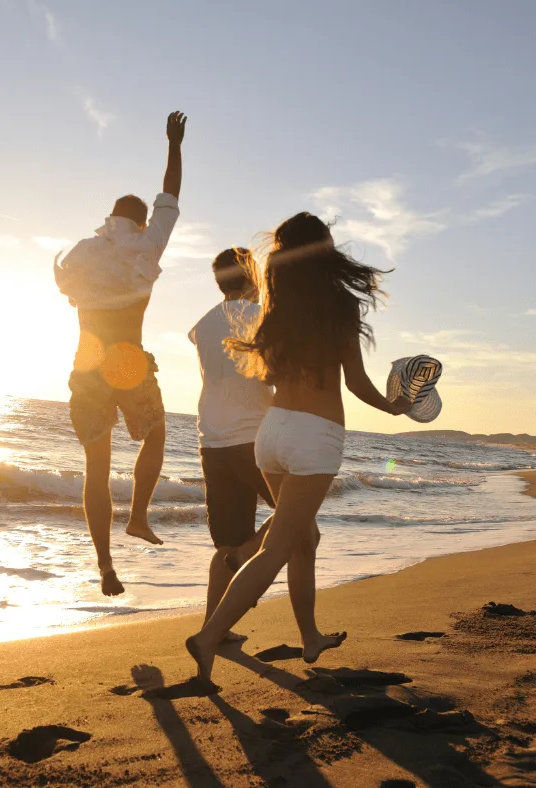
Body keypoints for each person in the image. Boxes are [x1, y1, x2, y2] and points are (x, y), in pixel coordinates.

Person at [185, 213, 413, 684]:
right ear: (324, 250)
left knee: (303, 539)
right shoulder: (340, 304)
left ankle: (310, 638)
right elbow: (356, 381)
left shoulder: (273, 306)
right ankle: (208, 636)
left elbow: (269, 374)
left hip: (271, 433)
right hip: (315, 435)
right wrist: (394, 408)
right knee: (275, 549)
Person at [53, 111, 187, 596]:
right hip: (127, 360)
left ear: (109, 216)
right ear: (142, 221)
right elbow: (170, 195)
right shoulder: (147, 244)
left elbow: (66, 288)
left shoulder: (83, 251)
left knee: (96, 468)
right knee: (156, 433)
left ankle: (105, 565)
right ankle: (138, 516)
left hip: (87, 364)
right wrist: (174, 145)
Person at [189, 247, 275, 639]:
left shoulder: (202, 325)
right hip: (253, 439)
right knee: (296, 513)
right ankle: (245, 554)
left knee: (224, 543)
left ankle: (214, 627)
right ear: (251, 276)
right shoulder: (261, 317)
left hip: (212, 442)